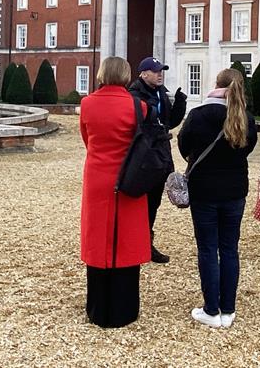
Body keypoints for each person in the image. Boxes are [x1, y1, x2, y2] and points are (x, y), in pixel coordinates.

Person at [178, 68, 257, 328]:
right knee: (230, 249)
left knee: (208, 249)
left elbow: (183, 146)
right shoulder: (245, 117)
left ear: (216, 84)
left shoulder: (199, 114)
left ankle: (212, 309)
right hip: (234, 190)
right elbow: (248, 148)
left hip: (204, 190)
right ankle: (228, 309)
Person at [79, 56, 152, 328]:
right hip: (130, 177)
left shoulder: (87, 104)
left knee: (98, 239)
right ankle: (124, 308)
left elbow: (87, 139)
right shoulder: (139, 107)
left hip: (98, 176)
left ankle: (97, 307)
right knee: (126, 241)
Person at [128, 56, 187, 264]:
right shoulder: (135, 94)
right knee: (141, 201)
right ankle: (138, 243)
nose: (160, 74)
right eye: (155, 71)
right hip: (144, 154)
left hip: (161, 152)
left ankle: (146, 242)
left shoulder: (161, 92)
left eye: (161, 70)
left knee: (154, 201)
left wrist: (180, 104)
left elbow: (169, 123)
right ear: (143, 74)